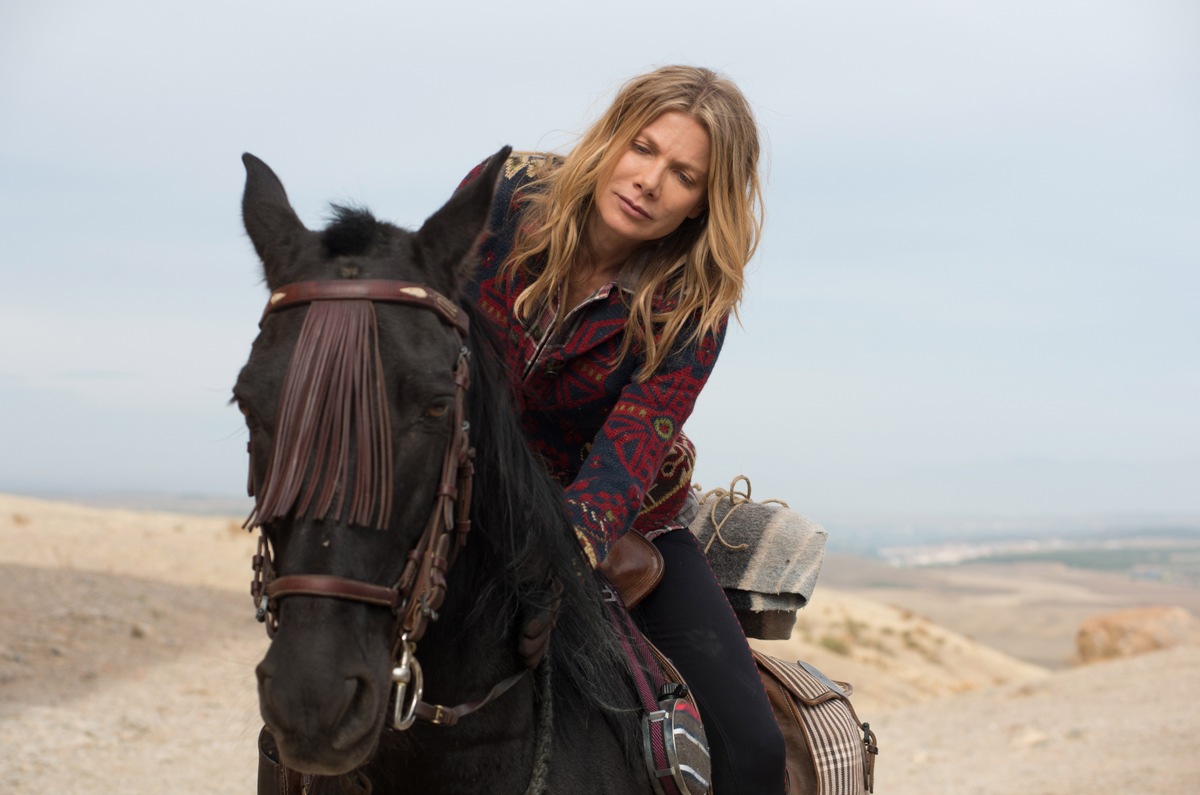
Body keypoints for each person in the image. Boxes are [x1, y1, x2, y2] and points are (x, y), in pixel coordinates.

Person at [462, 65, 786, 795]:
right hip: (459, 482)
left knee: (753, 748)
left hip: (617, 517)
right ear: (612, 138)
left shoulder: (695, 303)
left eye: (684, 176)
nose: (648, 181)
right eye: (643, 148)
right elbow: (422, 322)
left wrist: (550, 550)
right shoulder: (505, 193)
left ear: (705, 204)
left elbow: (626, 456)